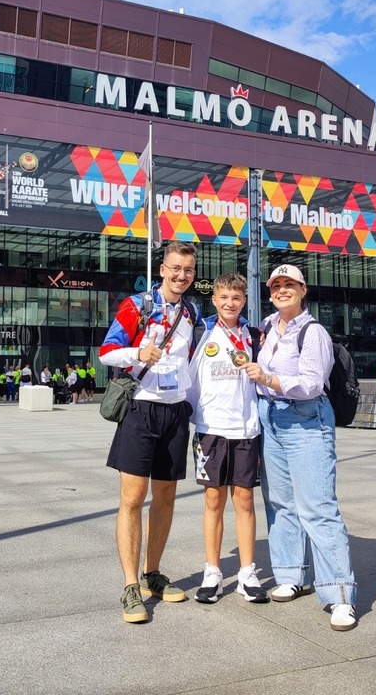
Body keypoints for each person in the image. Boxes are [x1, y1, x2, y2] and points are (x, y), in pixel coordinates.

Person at [239, 263, 357, 631]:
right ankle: (291, 574)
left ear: (303, 290)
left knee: (317, 508)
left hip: (305, 419)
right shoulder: (268, 329)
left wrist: (269, 378)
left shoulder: (313, 332)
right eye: (276, 285)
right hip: (271, 418)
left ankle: (339, 596)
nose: (282, 290)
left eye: (290, 285)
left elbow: (310, 384)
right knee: (281, 503)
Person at [99, 241, 200, 624]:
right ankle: (129, 586)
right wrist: (137, 353)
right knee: (132, 498)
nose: (181, 276)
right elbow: (106, 351)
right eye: (175, 268)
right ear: (162, 269)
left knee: (167, 497)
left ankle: (151, 574)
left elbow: (194, 365)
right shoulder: (138, 305)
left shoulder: (193, 313)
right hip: (140, 409)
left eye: (188, 270)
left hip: (175, 413)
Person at [187, 272, 269, 605]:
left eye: (236, 298)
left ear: (244, 300)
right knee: (212, 500)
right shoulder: (202, 332)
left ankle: (248, 572)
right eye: (223, 298)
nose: (229, 304)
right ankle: (213, 572)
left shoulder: (254, 335)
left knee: (245, 500)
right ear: (214, 299)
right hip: (210, 429)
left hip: (246, 429)